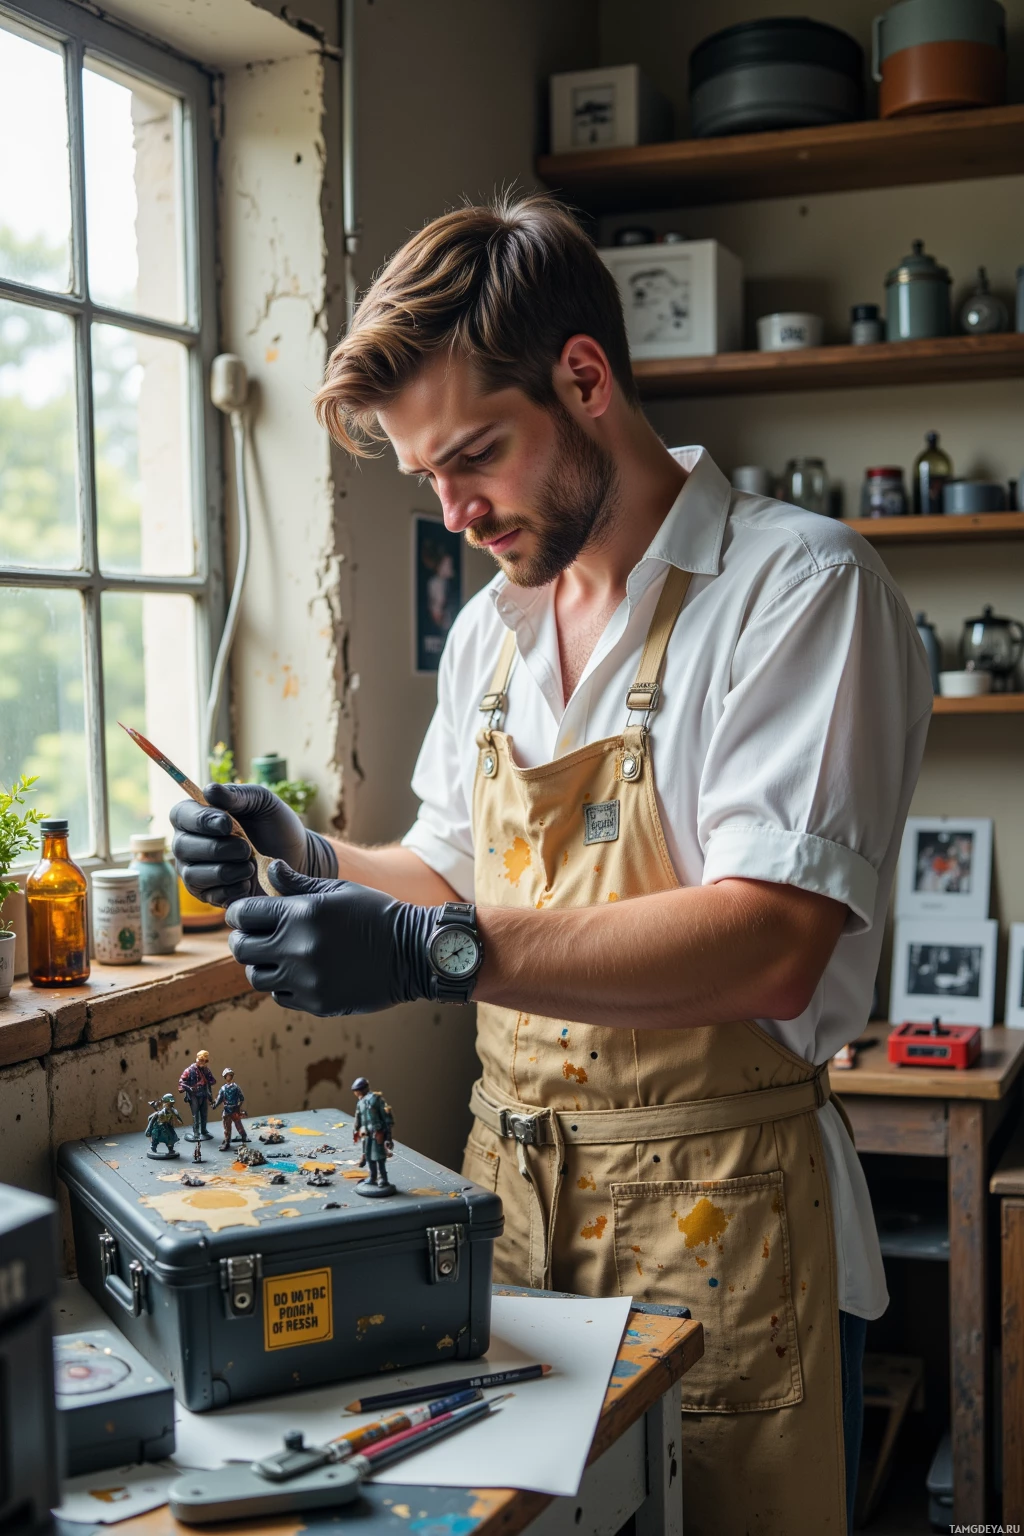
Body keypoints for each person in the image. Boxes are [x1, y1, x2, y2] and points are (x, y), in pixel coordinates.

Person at [170, 193, 932, 1534]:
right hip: (510, 1221)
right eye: (428, 481)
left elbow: (772, 940)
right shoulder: (493, 635)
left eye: (477, 457)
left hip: (725, 1231)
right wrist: (305, 856)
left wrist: (433, 952)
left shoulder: (799, 590)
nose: (457, 511)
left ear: (584, 378)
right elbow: (452, 876)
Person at [351, 1076, 394, 1193]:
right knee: (369, 1156)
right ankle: (373, 1177)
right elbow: (358, 1117)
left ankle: (383, 1179)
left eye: (357, 1090)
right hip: (366, 1134)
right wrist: (356, 1129)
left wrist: (388, 1136)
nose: (356, 1093)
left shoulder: (376, 1099)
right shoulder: (360, 1102)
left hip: (377, 1132)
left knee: (379, 1157)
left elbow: (386, 1117)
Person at [178, 1049, 215, 1141]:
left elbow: (211, 1081)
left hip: (204, 1094)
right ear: (197, 1059)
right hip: (193, 1095)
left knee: (204, 1113)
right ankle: (196, 1132)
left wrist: (210, 1093)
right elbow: (181, 1082)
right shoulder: (189, 1070)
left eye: (205, 1061)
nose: (202, 1062)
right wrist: (189, 1088)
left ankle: (203, 1130)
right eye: (201, 1060)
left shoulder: (206, 1070)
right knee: (195, 1115)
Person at [214, 1068, 247, 1152]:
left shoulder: (236, 1087)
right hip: (227, 1110)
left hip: (234, 1109)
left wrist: (238, 1107)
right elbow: (219, 1099)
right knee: (227, 1127)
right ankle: (227, 1141)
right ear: (225, 1077)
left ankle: (243, 1137)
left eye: (230, 1075)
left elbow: (242, 1098)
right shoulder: (223, 1089)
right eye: (227, 1075)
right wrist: (215, 1105)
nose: (229, 1077)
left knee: (238, 1125)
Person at [145, 1094, 183, 1159]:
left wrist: (176, 1119)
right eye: (167, 1103)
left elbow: (179, 1120)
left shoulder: (173, 1111)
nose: (168, 1105)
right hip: (158, 1127)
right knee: (155, 1139)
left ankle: (170, 1149)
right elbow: (151, 1120)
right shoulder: (160, 1113)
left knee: (170, 1139)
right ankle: (153, 1148)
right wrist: (148, 1130)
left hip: (167, 1127)